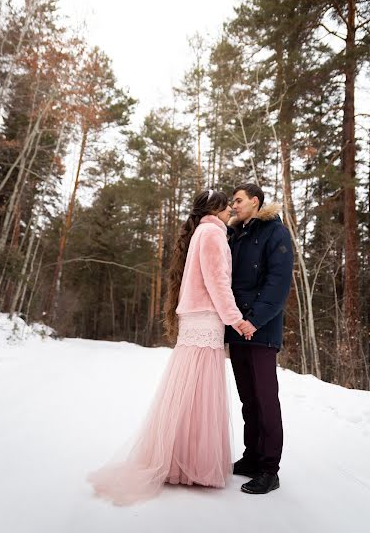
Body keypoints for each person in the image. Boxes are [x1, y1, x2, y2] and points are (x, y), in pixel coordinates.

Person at [87, 190, 250, 505]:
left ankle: (179, 461)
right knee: (200, 391)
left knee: (189, 392)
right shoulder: (214, 234)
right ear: (216, 209)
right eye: (228, 205)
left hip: (195, 317)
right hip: (206, 317)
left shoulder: (201, 233)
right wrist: (235, 318)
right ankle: (194, 465)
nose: (232, 210)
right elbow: (218, 282)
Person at [225, 183, 293, 495]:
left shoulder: (275, 232)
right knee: (248, 401)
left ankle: (269, 469)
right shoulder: (235, 234)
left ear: (255, 201)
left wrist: (254, 321)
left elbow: (277, 284)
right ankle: (251, 457)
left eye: (238, 200)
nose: (233, 205)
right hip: (238, 328)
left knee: (266, 401)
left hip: (261, 330)